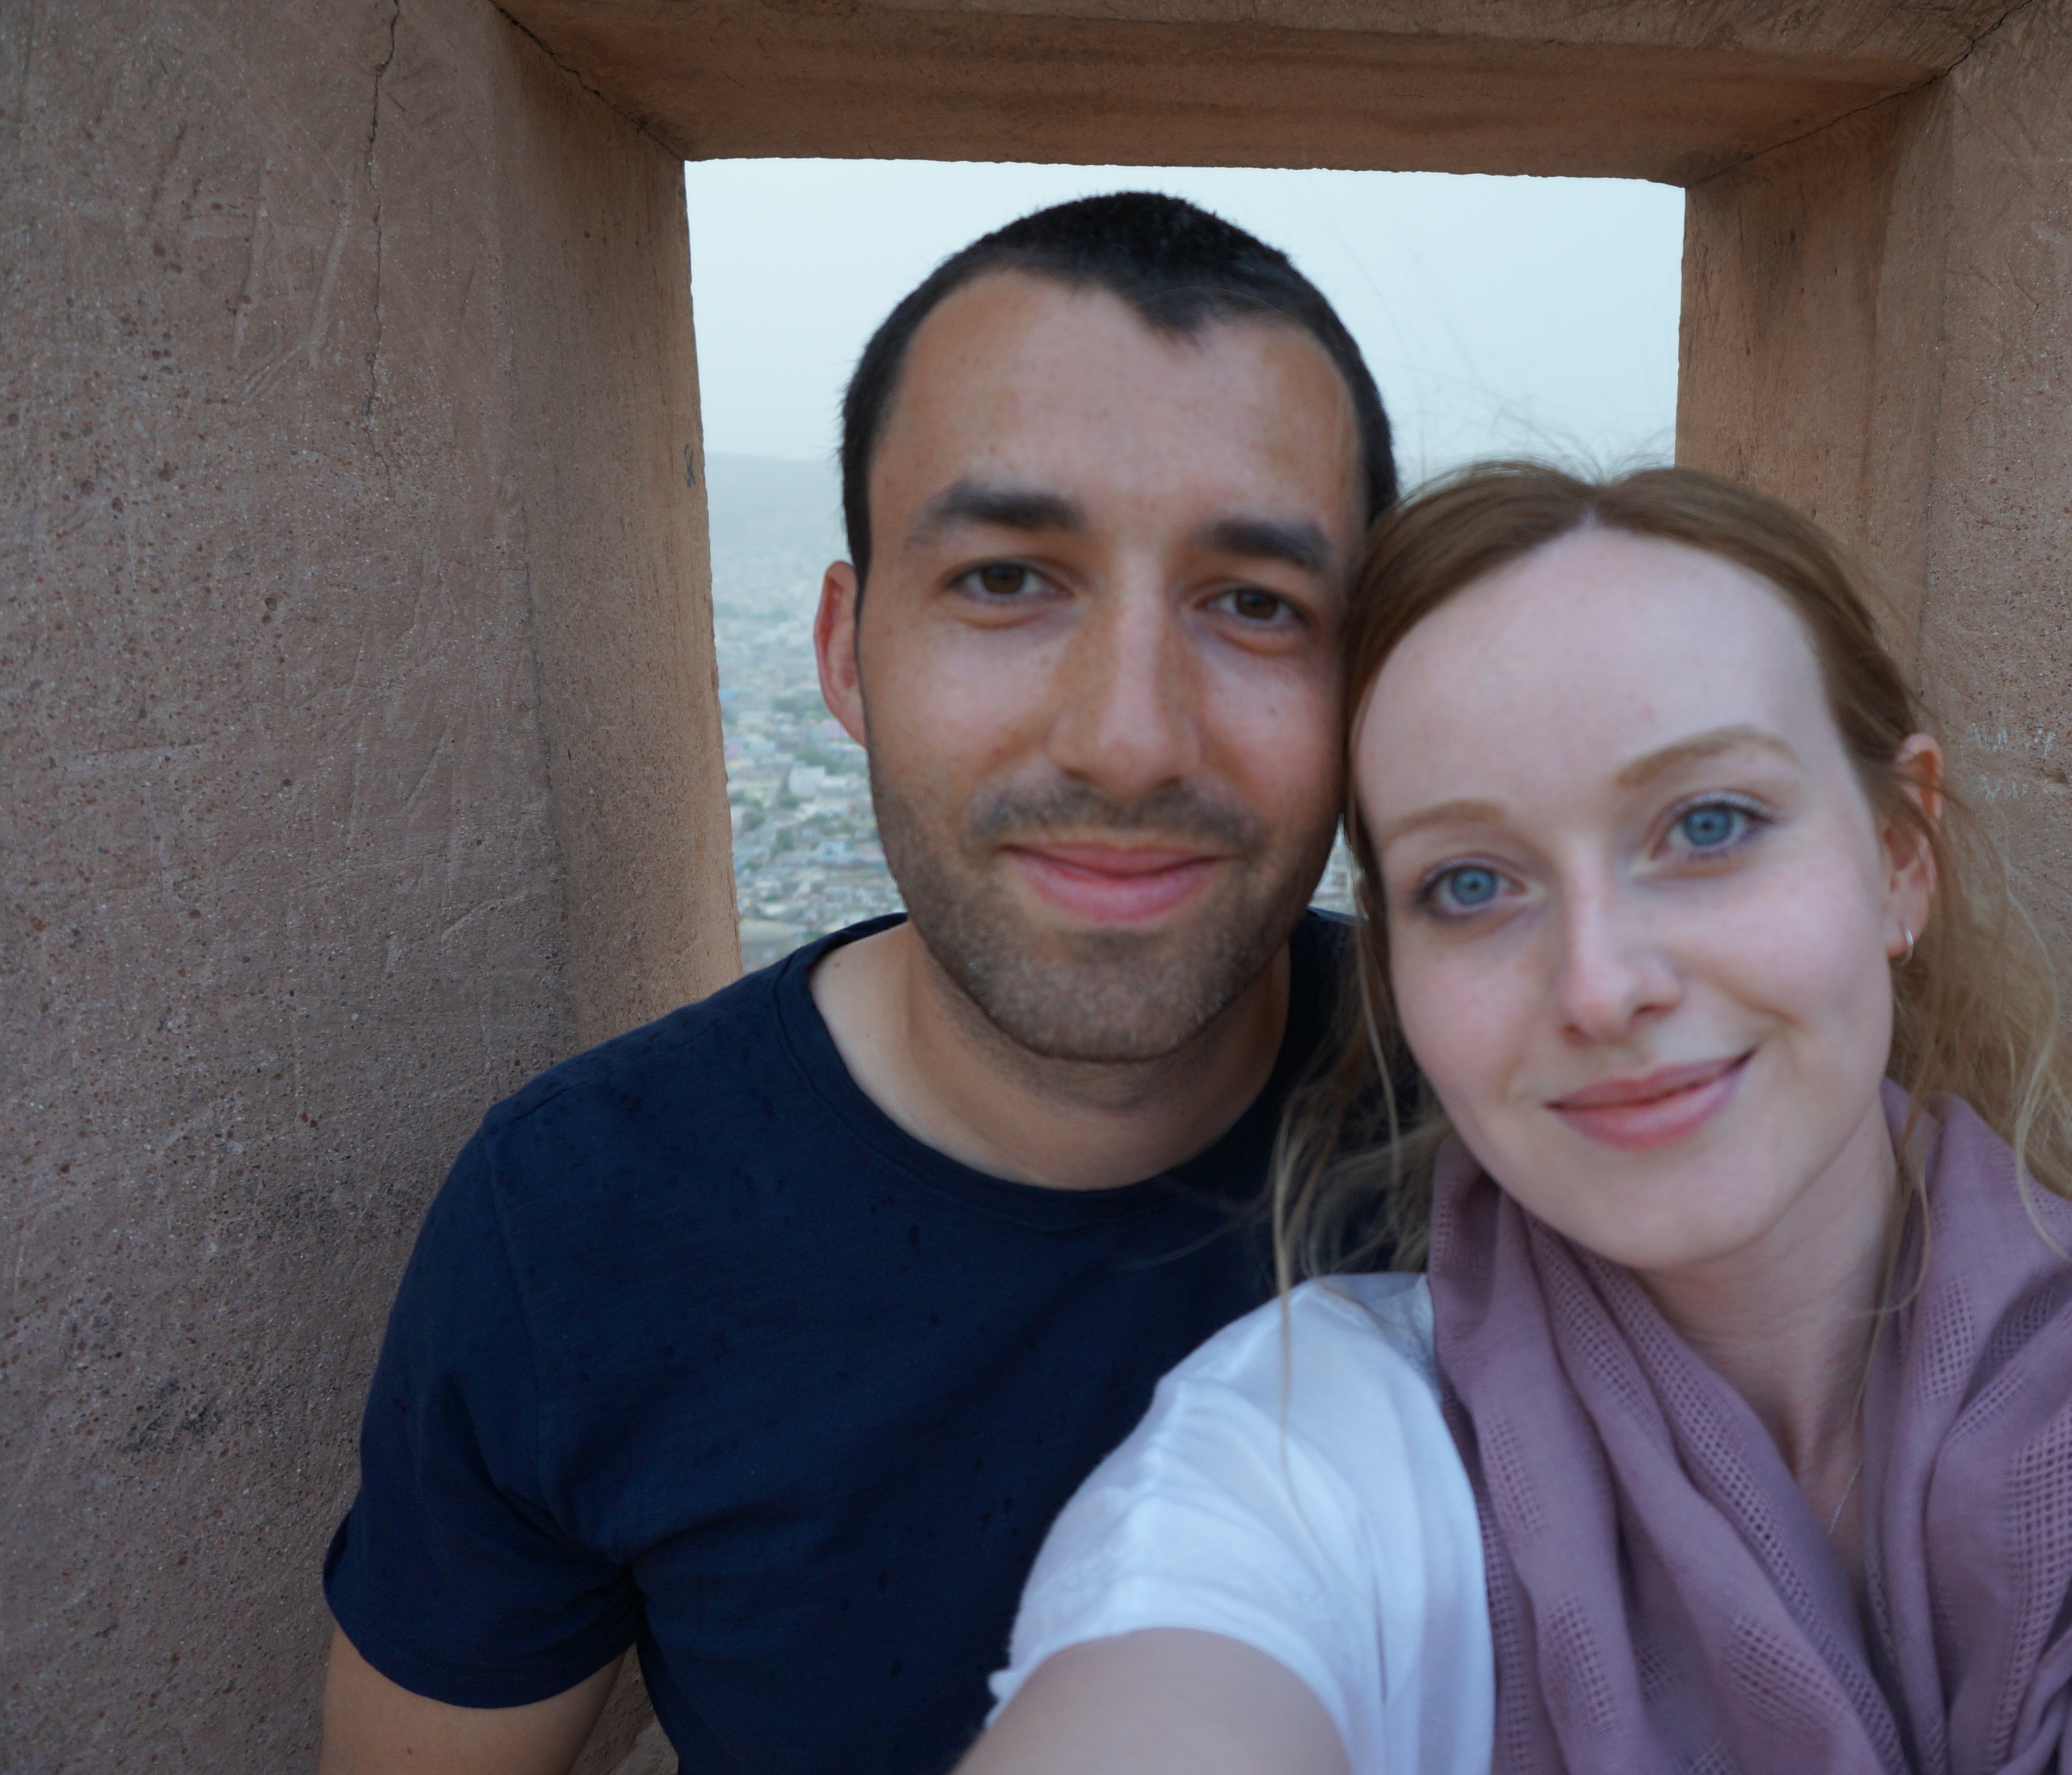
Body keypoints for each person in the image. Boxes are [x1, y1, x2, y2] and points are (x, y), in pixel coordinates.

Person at [964, 463, 2072, 1775]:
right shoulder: (1309, 1450)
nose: (1601, 985)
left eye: (1708, 825)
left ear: (1900, 857)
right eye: (1471, 883)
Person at [314, 193, 1397, 1775]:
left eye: (1256, 604)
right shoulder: (586, 1220)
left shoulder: (1523, 1129)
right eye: (1007, 579)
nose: (1129, 739)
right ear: (846, 654)